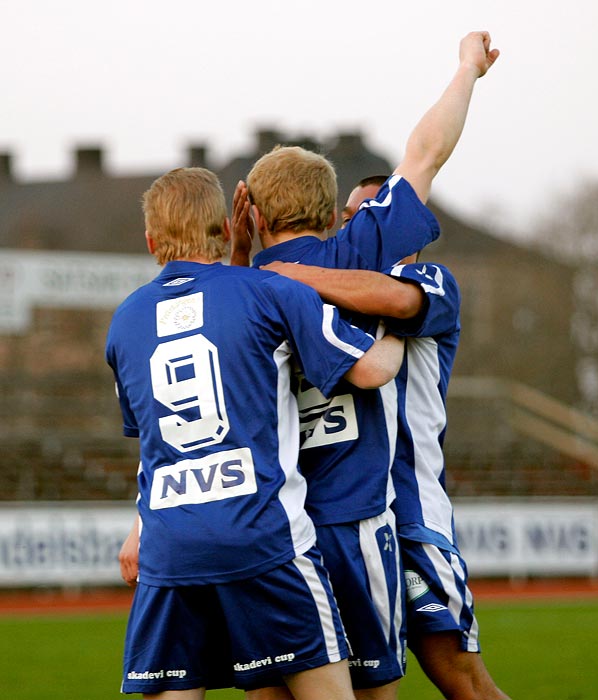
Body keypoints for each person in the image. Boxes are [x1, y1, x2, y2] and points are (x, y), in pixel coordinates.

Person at [229, 30, 500, 700]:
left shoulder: (239, 290)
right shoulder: (360, 252)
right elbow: (425, 154)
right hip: (361, 519)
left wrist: (250, 261)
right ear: (332, 213)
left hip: (282, 529)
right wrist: (467, 68)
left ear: (253, 214)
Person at [106, 166, 406, 699]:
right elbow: (372, 371)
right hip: (263, 537)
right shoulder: (270, 291)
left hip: (169, 549)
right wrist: (401, 318)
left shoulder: (125, 321)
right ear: (227, 224)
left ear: (151, 240)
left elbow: (153, 442)